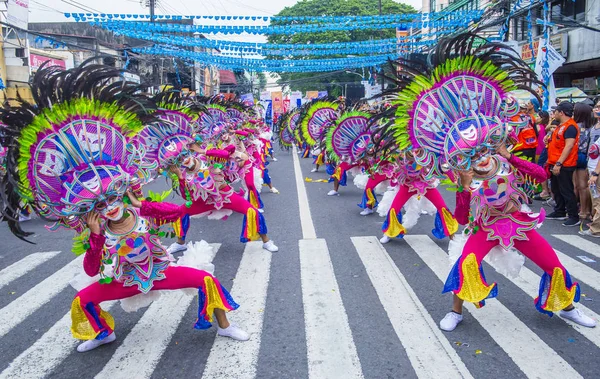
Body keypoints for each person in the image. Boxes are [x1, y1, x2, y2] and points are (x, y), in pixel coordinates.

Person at [546, 101, 581, 227]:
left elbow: (569, 146)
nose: (554, 113)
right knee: (556, 188)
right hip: (554, 162)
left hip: (564, 163)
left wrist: (559, 163)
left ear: (561, 112)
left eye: (555, 111)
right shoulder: (561, 125)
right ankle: (559, 211)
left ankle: (573, 216)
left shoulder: (570, 127)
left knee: (566, 190)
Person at [581, 99, 600, 237]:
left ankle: (596, 229)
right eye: (596, 106)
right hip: (591, 167)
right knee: (595, 200)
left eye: (599, 107)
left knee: (598, 201)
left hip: (596, 170)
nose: (595, 109)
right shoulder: (595, 125)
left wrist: (596, 173)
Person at [573, 102, 594, 221]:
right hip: (582, 156)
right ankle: (584, 209)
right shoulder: (590, 126)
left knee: (580, 185)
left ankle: (584, 210)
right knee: (580, 185)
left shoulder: (576, 126)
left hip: (579, 156)